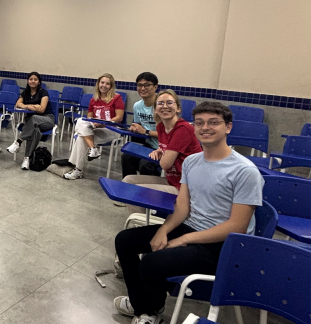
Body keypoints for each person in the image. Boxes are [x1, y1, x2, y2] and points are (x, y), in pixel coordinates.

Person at [112, 102, 264, 324]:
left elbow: (237, 226)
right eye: (199, 123)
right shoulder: (192, 162)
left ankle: (148, 311)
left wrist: (184, 240)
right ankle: (143, 303)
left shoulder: (245, 171)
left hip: (224, 245)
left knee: (151, 263)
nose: (205, 127)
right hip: (192, 227)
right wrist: (164, 230)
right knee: (125, 241)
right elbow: (182, 207)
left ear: (228, 127)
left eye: (214, 122)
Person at [122, 89, 202, 214]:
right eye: (160, 103)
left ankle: (145, 222)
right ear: (155, 110)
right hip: (172, 180)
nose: (165, 106)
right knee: (128, 181)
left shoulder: (183, 128)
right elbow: (169, 145)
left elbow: (165, 164)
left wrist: (165, 153)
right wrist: (160, 149)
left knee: (137, 191)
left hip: (186, 188)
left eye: (169, 103)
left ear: (178, 108)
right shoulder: (161, 127)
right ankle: (142, 219)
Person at [63, 73, 124, 180]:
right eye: (102, 82)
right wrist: (94, 124)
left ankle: (78, 169)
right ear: (98, 84)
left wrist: (105, 122)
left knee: (81, 136)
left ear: (111, 86)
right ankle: (92, 150)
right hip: (97, 128)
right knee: (80, 121)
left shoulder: (117, 98)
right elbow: (89, 118)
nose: (104, 85)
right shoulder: (94, 99)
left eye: (107, 84)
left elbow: (119, 117)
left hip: (112, 129)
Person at [6, 72, 55, 170]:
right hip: (32, 123)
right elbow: (17, 104)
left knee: (34, 118)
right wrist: (32, 106)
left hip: (47, 119)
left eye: (35, 79)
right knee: (35, 130)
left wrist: (26, 106)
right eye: (31, 79)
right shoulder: (25, 93)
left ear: (39, 82)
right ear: (28, 81)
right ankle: (27, 159)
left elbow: (42, 109)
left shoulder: (43, 92)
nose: (33, 81)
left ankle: (18, 142)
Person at [120, 72, 161, 180]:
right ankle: (128, 187)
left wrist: (146, 132)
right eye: (139, 85)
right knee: (127, 156)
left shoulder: (163, 105)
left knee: (145, 164)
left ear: (155, 87)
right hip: (149, 145)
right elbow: (139, 124)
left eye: (147, 85)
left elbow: (170, 135)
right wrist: (135, 127)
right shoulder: (137, 106)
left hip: (164, 148)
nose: (143, 88)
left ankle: (146, 189)